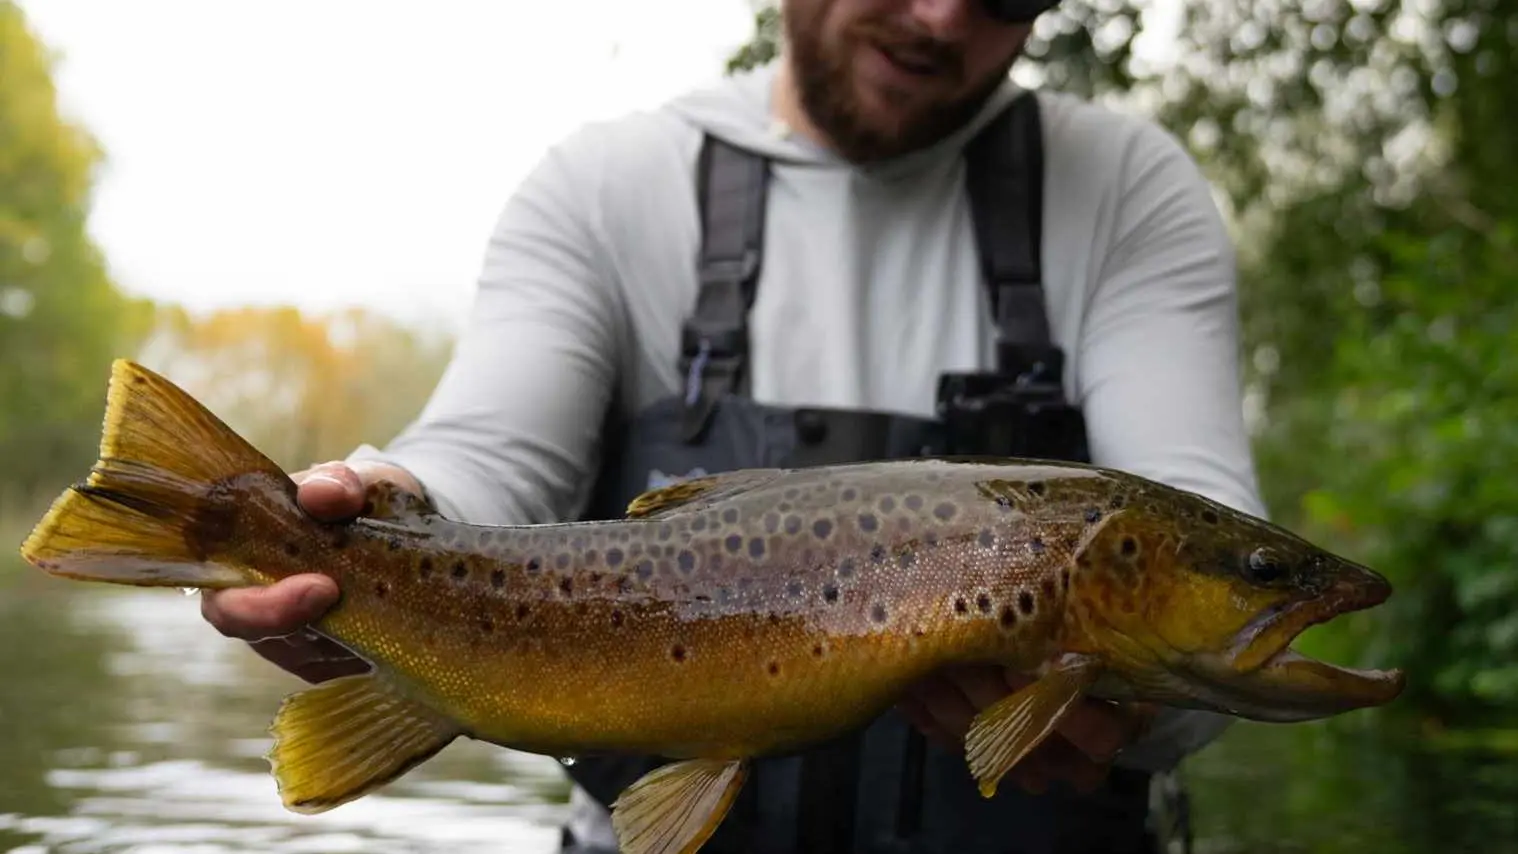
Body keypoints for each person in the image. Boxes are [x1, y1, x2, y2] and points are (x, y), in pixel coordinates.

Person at [201, 0, 1267, 851]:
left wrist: (1139, 712)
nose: (943, 18)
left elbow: (1208, 564)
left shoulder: (1128, 192)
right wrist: (373, 514)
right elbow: (486, 457)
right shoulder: (609, 187)